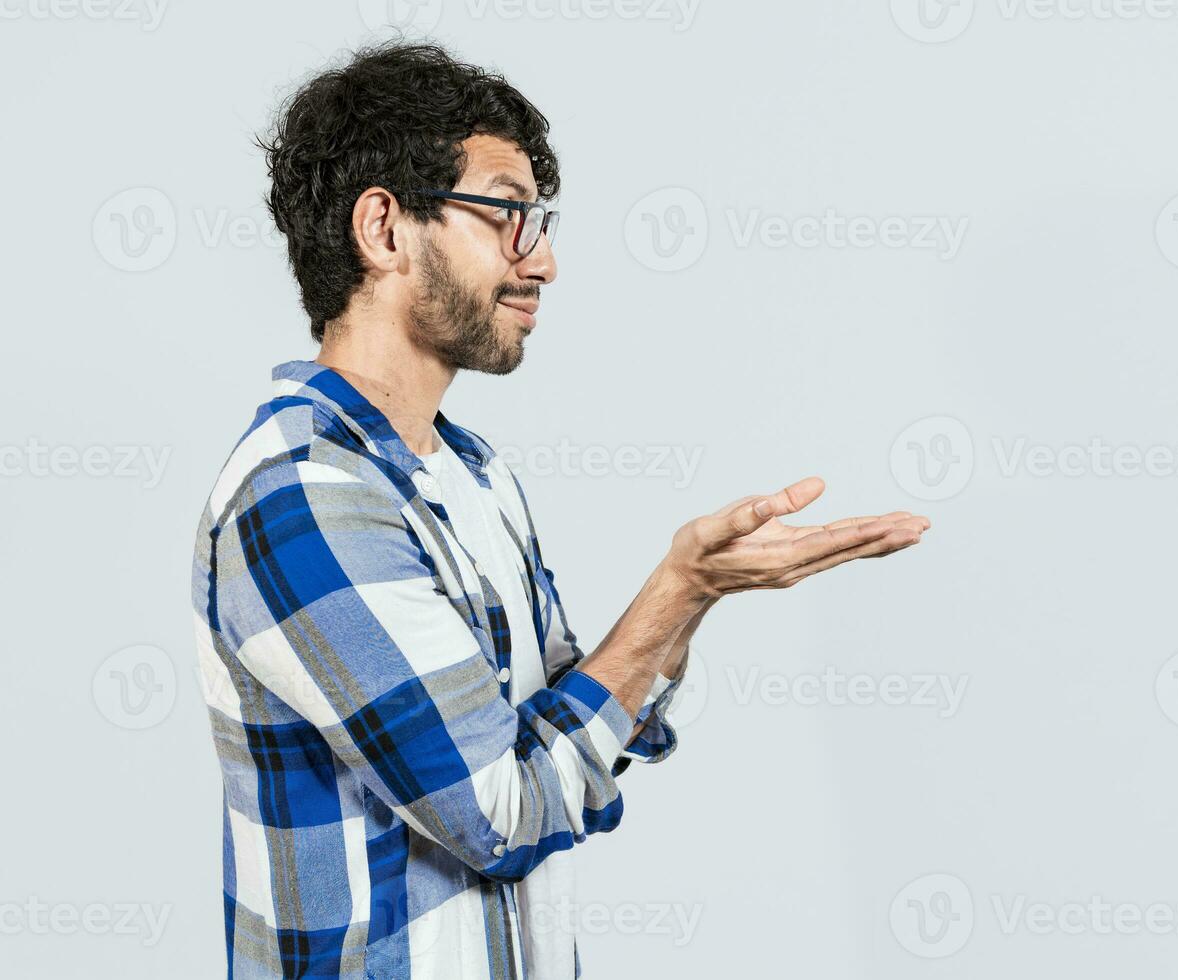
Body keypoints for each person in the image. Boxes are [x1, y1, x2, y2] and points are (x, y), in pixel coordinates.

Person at [189, 40, 931, 979]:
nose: (541, 260)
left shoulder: (468, 471)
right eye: (506, 213)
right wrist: (675, 588)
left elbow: (573, 731)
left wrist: (696, 597)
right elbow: (501, 815)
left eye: (537, 220)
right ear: (383, 229)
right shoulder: (303, 493)